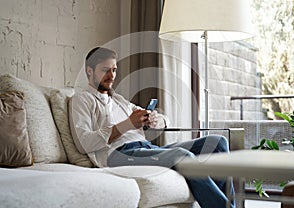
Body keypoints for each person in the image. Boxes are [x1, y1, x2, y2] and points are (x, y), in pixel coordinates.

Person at [69, 47, 235, 208]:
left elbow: (157, 118)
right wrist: (128, 124)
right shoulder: (82, 100)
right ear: (89, 71)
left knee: (218, 142)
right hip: (118, 154)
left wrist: (157, 120)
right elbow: (84, 143)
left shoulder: (118, 100)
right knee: (182, 156)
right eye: (105, 70)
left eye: (114, 70)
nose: (111, 76)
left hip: (145, 147)